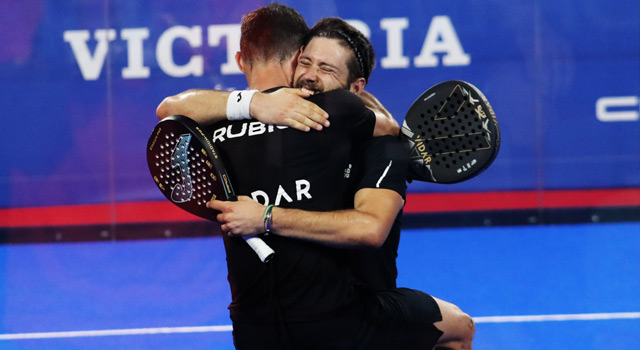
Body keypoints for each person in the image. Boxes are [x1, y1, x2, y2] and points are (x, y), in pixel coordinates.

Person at [158, 5, 474, 349]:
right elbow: (389, 128)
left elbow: (169, 110)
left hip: (255, 329)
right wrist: (258, 105)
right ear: (295, 58)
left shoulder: (214, 127)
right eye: (307, 63)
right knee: (460, 329)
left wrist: (265, 215)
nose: (310, 75)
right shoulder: (340, 114)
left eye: (325, 68)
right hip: (337, 325)